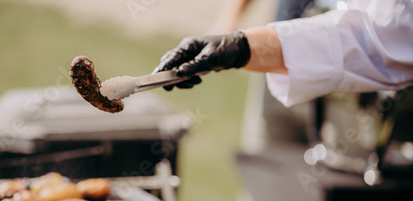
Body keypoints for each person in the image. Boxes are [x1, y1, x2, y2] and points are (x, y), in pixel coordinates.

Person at [153, 0, 413, 108]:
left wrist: (242, 46)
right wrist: (237, 41)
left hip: (371, 92)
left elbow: (388, 40)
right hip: (280, 54)